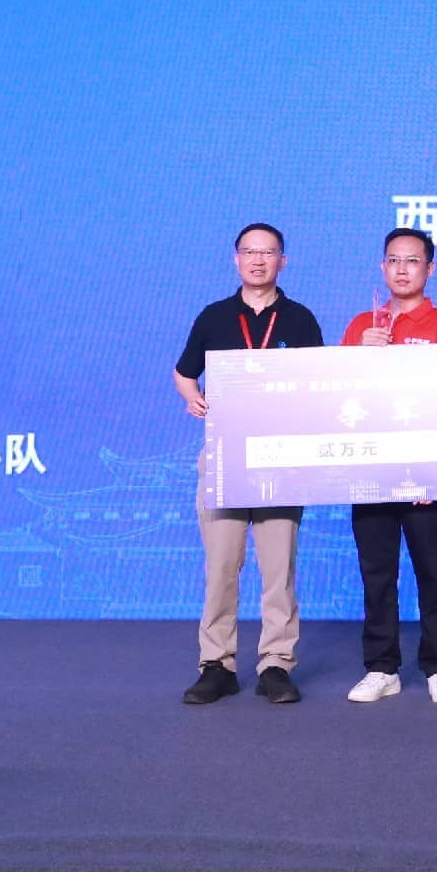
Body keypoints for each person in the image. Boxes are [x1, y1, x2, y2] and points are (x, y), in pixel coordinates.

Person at [172, 222, 325, 704]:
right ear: (236, 259)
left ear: (283, 261)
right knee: (222, 565)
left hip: (281, 458)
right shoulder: (214, 316)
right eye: (249, 252)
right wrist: (193, 397)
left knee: (278, 568)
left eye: (268, 252)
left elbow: (319, 382)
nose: (258, 260)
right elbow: (184, 372)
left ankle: (276, 663)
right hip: (225, 457)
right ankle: (216, 664)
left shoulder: (300, 319)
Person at [345, 227, 437, 705]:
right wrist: (358, 356)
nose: (402, 269)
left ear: (429, 269)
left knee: (432, 570)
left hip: (426, 475)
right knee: (377, 572)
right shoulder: (362, 326)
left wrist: (434, 471)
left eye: (412, 261)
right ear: (382, 267)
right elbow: (337, 397)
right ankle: (382, 668)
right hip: (371, 468)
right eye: (393, 260)